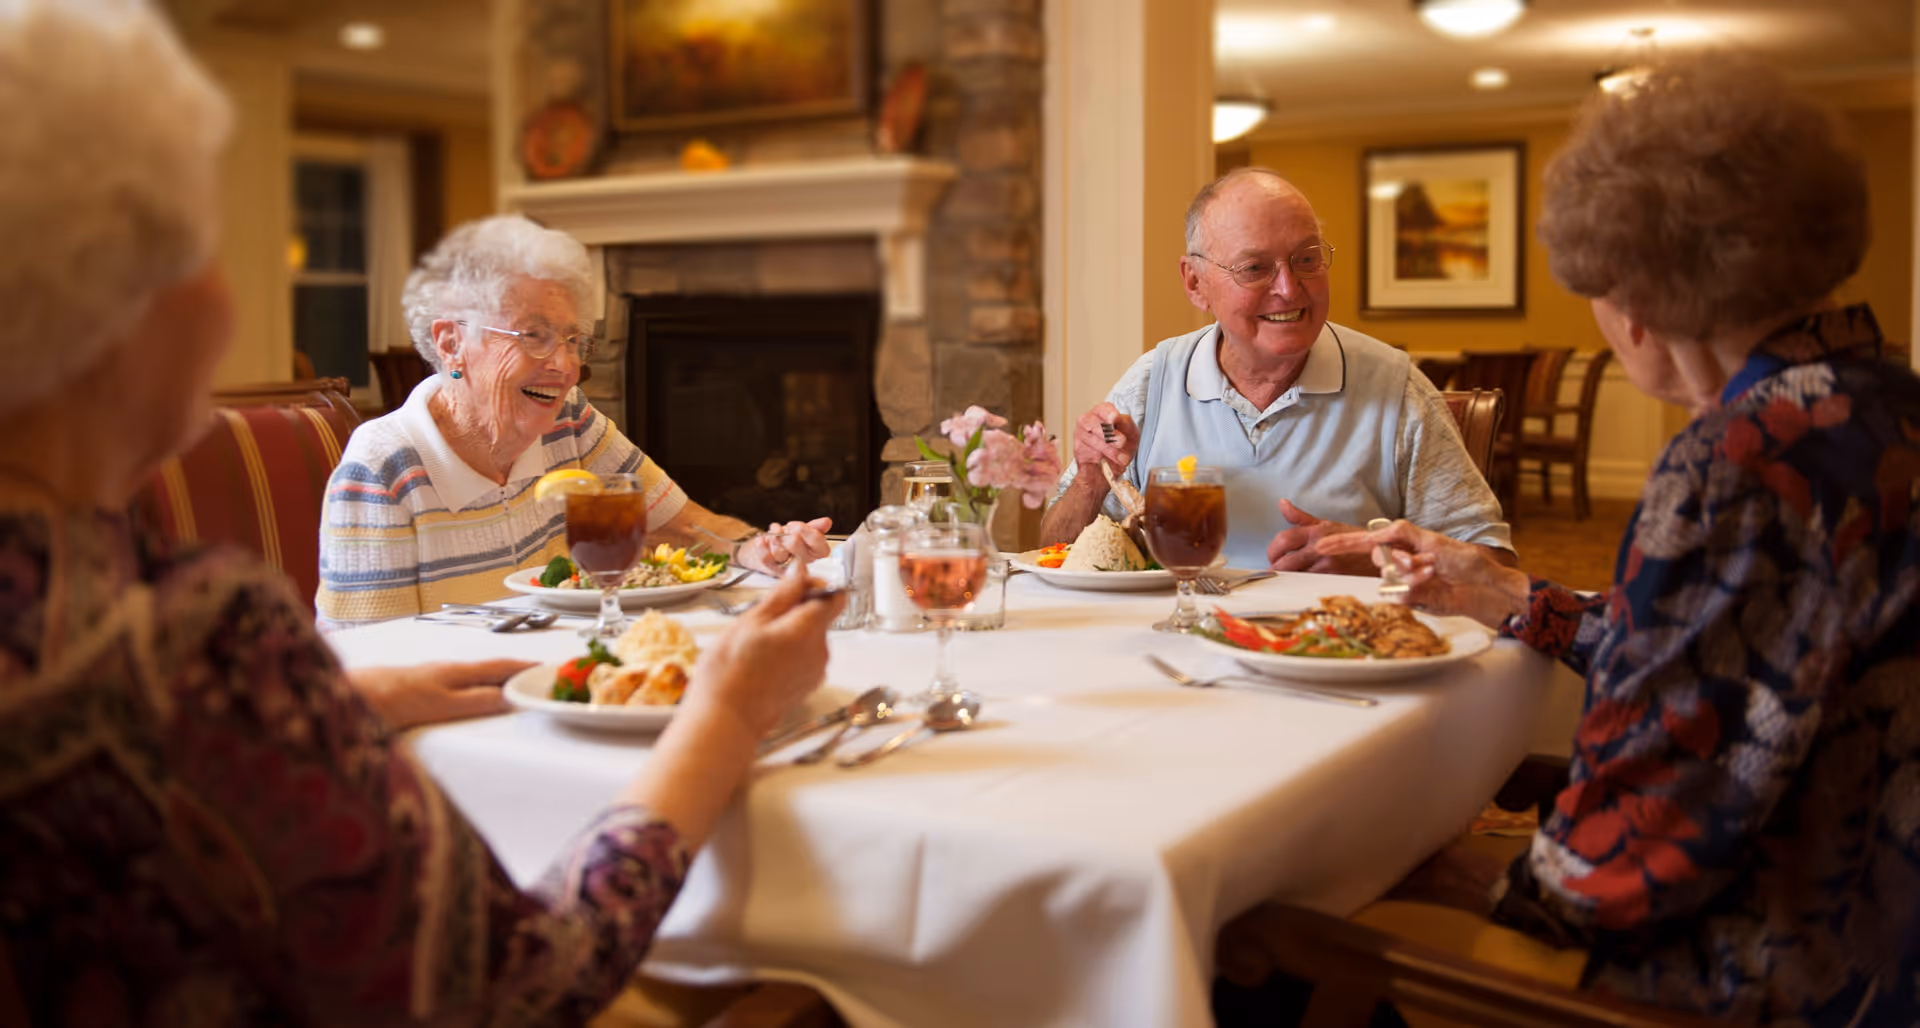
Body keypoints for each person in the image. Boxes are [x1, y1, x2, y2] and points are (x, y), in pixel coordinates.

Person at [0, 2, 844, 1022]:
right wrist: (728, 709)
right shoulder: (192, 636)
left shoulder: (123, 644)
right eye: (200, 251)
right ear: (102, 302)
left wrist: (349, 707)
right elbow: (523, 975)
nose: (227, 302)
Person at [1305, 55, 1919, 1027]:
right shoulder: (1884, 408)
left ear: (1635, 295)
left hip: (1765, 975)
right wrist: (1512, 595)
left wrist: (1478, 881)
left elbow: (1633, 855)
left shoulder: (1739, 464)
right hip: (1881, 934)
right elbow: (1739, 652)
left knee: (1293, 927)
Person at [315, 214, 833, 630]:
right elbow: (364, 675)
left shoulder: (569, 420)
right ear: (452, 343)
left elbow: (676, 521)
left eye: (570, 339)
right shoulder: (382, 470)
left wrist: (757, 550)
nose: (565, 366)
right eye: (533, 335)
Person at [1042, 168, 1512, 573]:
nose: (1289, 289)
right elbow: (1051, 550)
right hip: (1178, 654)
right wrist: (1088, 481)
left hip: (1336, 662)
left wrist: (1377, 562)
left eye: (1306, 259)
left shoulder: (1395, 386)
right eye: (1254, 268)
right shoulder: (1154, 380)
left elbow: (1495, 565)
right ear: (1194, 283)